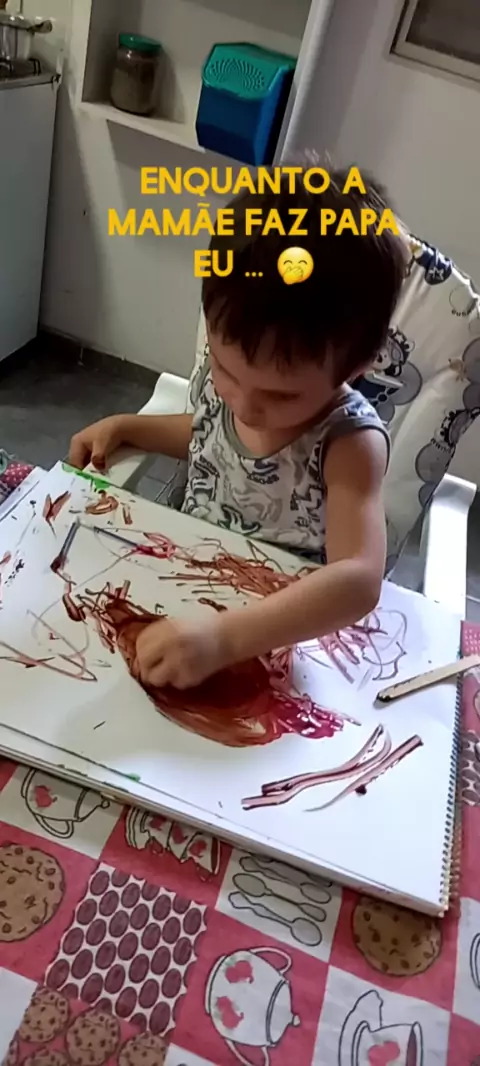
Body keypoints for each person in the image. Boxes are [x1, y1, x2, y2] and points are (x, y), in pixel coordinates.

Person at [69, 168, 407, 692]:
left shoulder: (348, 444)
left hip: (276, 637)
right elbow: (211, 439)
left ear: (355, 367)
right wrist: (128, 427)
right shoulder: (229, 389)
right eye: (225, 370)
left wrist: (225, 639)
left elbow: (359, 580)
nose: (245, 405)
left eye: (281, 395)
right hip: (180, 588)